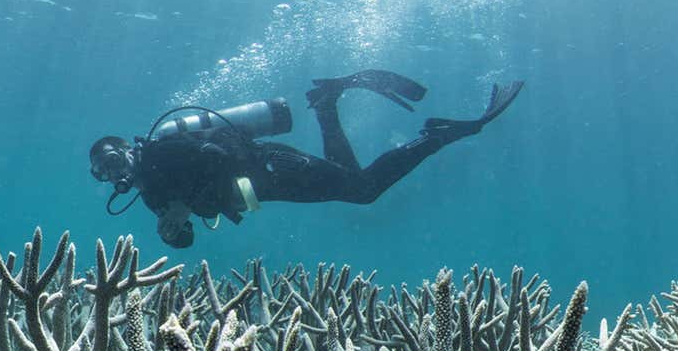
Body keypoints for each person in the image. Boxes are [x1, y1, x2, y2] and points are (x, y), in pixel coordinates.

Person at [88, 70, 523, 250]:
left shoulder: (161, 150)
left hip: (273, 168)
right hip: (265, 190)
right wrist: (174, 232)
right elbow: (186, 238)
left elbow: (218, 152)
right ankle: (326, 101)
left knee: (363, 190)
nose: (113, 172)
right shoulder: (150, 193)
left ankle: (436, 137)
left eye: (111, 159)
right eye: (103, 172)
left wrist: (188, 202)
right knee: (356, 183)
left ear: (125, 148)